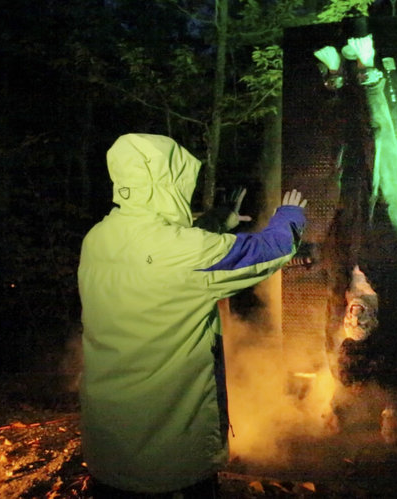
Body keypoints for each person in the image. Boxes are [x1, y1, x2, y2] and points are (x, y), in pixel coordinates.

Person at [78, 133, 307, 497]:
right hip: (169, 459)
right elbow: (267, 250)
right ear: (165, 183)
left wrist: (216, 222)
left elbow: (166, 257)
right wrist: (289, 216)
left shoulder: (99, 238)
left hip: (108, 448)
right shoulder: (181, 253)